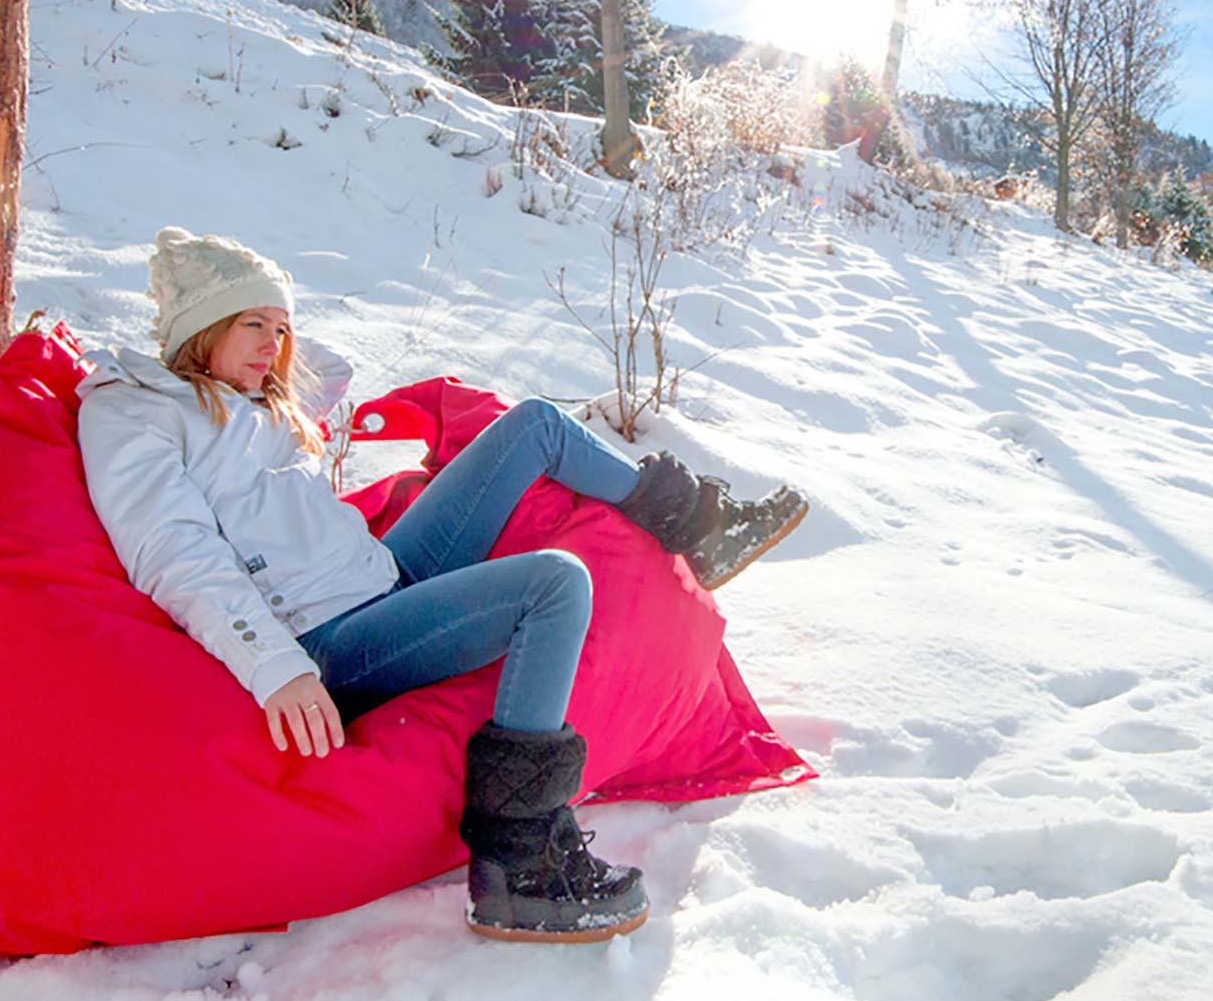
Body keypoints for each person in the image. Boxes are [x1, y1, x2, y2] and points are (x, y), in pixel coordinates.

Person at [76, 228, 807, 945]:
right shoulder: (135, 410)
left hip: (381, 575)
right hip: (325, 641)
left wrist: (247, 330)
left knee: (535, 427)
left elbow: (322, 371)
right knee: (553, 585)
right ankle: (517, 864)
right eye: (253, 325)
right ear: (201, 328)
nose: (275, 345)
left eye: (282, 327)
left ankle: (700, 527)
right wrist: (277, 669)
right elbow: (174, 553)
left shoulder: (254, 398)